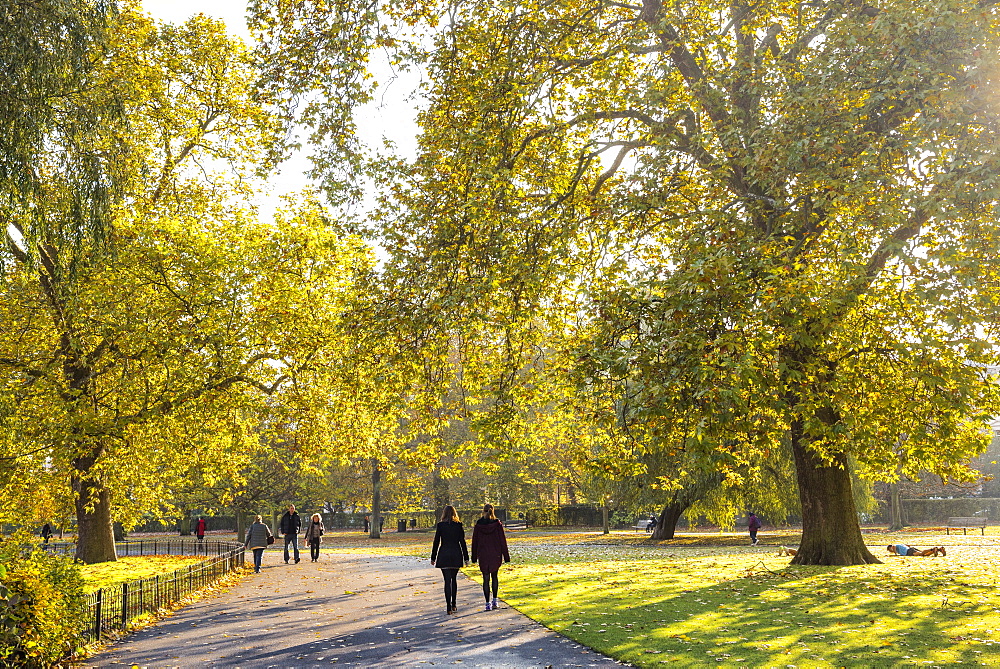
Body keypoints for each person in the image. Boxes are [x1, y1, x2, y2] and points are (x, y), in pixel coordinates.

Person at [431, 505, 469, 615]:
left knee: (447, 581)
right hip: (456, 553)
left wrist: (433, 557)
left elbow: (436, 542)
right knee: (454, 579)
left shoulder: (441, 525)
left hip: (444, 554)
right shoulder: (458, 525)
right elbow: (462, 542)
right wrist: (466, 558)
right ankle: (454, 604)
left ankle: (448, 606)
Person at [471, 503, 510, 611]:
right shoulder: (497, 524)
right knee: (495, 577)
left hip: (483, 554)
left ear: (483, 511)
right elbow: (503, 541)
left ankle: (487, 602)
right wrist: (506, 556)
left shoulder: (479, 524)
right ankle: (495, 600)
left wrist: (474, 557)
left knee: (485, 578)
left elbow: (475, 542)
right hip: (495, 553)